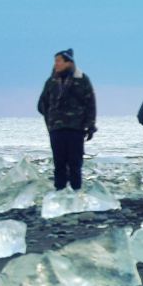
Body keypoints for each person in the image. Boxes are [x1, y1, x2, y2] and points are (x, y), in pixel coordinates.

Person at [35, 49, 96, 191]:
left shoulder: (82, 80)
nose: (56, 64)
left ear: (68, 62)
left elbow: (90, 103)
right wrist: (51, 119)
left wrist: (90, 125)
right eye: (55, 61)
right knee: (59, 163)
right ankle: (60, 191)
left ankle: (76, 191)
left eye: (58, 61)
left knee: (75, 163)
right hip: (57, 129)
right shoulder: (51, 81)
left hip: (76, 128)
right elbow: (41, 104)